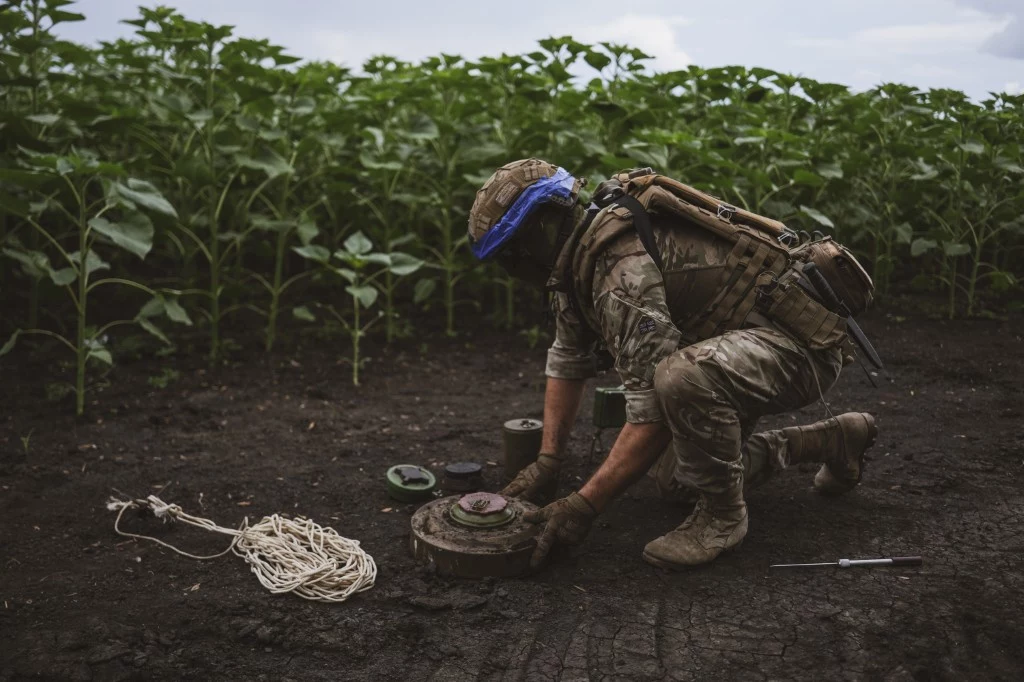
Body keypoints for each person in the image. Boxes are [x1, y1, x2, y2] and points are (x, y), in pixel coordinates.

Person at [467, 158, 880, 570]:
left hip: (801, 348)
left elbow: (649, 412)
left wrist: (583, 505)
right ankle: (832, 440)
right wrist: (548, 461)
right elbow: (568, 359)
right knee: (681, 480)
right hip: (744, 347)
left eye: (510, 253)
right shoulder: (578, 260)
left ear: (537, 232)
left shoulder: (618, 270)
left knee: (679, 377)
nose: (510, 269)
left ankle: (723, 520)